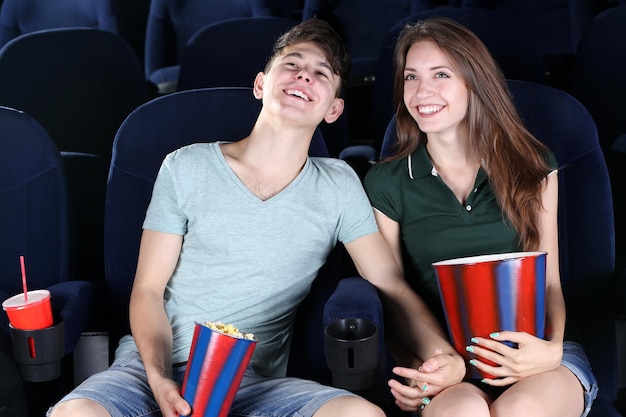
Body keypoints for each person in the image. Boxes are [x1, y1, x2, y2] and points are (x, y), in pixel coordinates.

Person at [48, 18, 463, 417]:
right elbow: (148, 290)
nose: (304, 76)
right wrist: (158, 379)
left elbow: (388, 283)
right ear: (262, 84)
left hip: (252, 381)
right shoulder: (185, 166)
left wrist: (443, 355)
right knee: (75, 412)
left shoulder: (339, 184)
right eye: (293, 64)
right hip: (144, 370)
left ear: (334, 109)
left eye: (321, 72)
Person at [363, 17, 598, 417]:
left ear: (475, 82)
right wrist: (423, 369)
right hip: (448, 363)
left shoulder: (533, 166)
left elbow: (550, 281)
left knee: (518, 410)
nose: (423, 92)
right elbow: (391, 294)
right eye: (411, 77)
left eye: (441, 74)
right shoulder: (386, 182)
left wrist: (551, 349)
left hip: (536, 354)